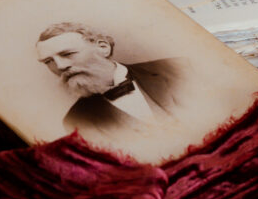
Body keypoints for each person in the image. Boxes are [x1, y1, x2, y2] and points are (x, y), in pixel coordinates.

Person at [35, 22, 190, 139]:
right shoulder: (75, 121)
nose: (60, 66)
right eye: (48, 61)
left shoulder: (179, 68)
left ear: (103, 48)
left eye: (67, 54)